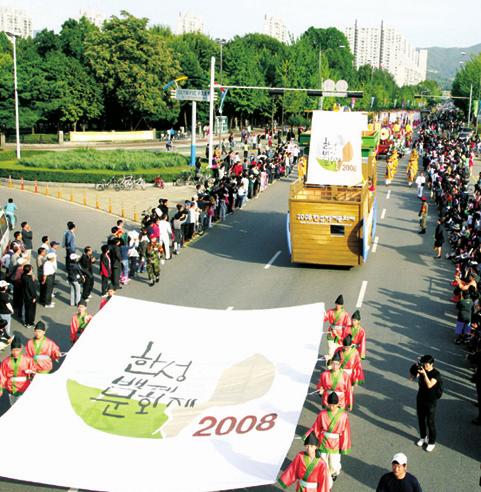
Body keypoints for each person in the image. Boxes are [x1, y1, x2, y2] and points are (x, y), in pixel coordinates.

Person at [303, 392, 351, 482]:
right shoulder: (322, 414)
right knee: (323, 461)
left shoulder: (344, 416)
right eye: (330, 405)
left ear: (338, 404)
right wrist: (308, 436)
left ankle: (334, 472)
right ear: (327, 404)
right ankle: (326, 478)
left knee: (334, 463)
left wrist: (344, 446)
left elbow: (346, 432)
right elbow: (316, 427)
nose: (332, 407)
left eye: (334, 405)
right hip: (323, 441)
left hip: (335, 442)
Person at [409, 355, 442, 452]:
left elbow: (429, 385)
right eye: (424, 364)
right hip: (420, 398)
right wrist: (414, 368)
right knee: (421, 419)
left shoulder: (436, 374)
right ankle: (423, 437)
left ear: (432, 364)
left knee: (430, 422)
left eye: (427, 364)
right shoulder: (421, 369)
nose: (425, 366)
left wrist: (424, 374)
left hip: (431, 401)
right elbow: (410, 378)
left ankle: (432, 442)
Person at [0, 336, 36, 406]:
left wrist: (32, 372)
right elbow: (2, 375)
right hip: (11, 387)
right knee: (13, 405)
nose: (15, 352)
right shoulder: (6, 362)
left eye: (17, 350)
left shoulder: (28, 360)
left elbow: (34, 371)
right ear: (11, 350)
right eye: (13, 350)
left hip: (25, 386)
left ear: (21, 349)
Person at [324, 295, 351, 359]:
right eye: (336, 304)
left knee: (339, 352)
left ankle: (337, 365)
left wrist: (347, 336)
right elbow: (324, 318)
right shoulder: (330, 311)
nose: (337, 305)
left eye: (339, 304)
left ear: (342, 305)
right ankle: (330, 367)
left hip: (340, 336)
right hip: (331, 334)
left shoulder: (345, 314)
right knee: (331, 351)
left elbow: (348, 326)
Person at [21, 264, 37, 328]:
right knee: (31, 311)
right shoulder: (29, 279)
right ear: (30, 270)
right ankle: (29, 323)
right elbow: (32, 289)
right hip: (30, 297)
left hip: (25, 295)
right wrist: (34, 297)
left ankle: (28, 322)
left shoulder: (23, 275)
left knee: (27, 309)